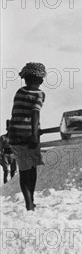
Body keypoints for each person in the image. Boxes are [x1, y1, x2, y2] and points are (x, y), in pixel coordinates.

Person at [8, 63, 46, 210]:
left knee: (24, 171)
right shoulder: (39, 94)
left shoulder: (19, 91)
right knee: (32, 168)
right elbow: (35, 112)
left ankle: (29, 202)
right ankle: (31, 203)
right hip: (29, 135)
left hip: (14, 136)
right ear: (40, 80)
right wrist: (35, 134)